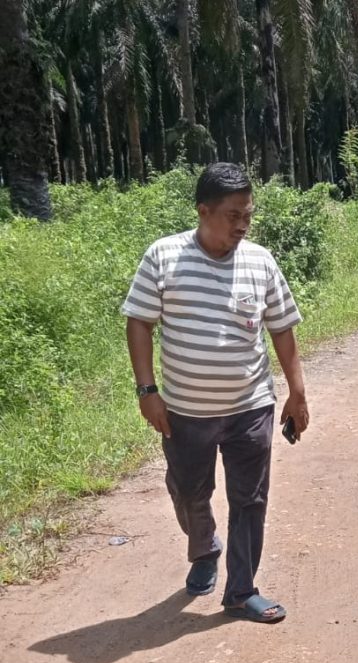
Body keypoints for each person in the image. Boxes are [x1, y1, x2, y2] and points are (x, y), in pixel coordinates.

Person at [122, 163, 308, 624]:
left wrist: (297, 392)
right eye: (232, 215)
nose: (242, 225)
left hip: (251, 407)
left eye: (247, 214)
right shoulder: (163, 257)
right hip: (185, 412)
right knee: (190, 491)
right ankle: (204, 548)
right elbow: (139, 322)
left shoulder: (260, 261)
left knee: (250, 498)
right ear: (203, 211)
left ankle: (242, 591)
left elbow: (282, 329)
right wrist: (147, 390)